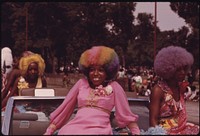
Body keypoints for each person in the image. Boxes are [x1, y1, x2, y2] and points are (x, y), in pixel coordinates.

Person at [44, 46, 140, 135]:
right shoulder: (81, 83)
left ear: (108, 72)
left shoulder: (115, 87)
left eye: (101, 70)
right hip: (73, 128)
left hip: (99, 130)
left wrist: (136, 132)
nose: (95, 73)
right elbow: (66, 108)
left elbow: (125, 114)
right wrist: (49, 131)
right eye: (92, 70)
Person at [149, 46, 199, 135]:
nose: (183, 72)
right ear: (168, 69)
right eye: (178, 69)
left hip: (183, 130)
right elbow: (153, 120)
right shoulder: (158, 90)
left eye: (184, 68)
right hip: (164, 132)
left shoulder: (182, 88)